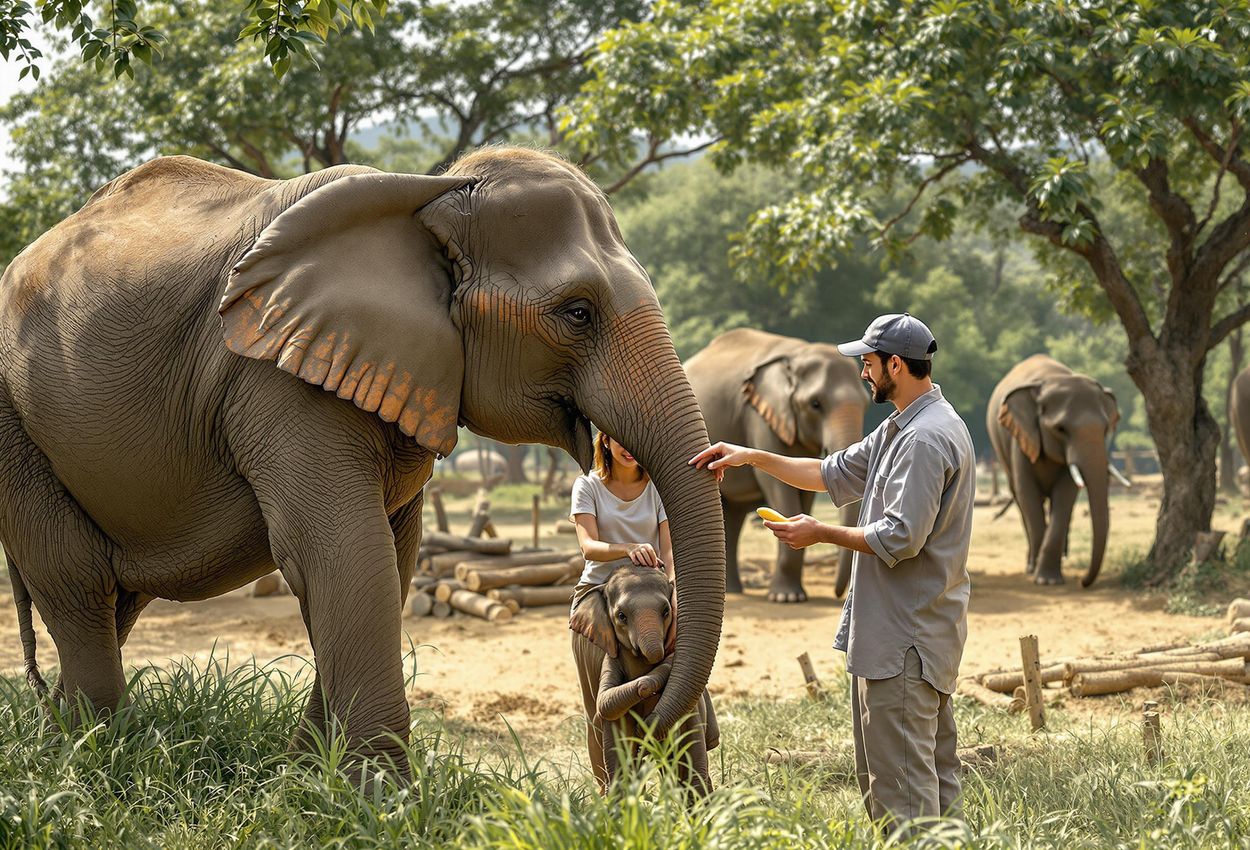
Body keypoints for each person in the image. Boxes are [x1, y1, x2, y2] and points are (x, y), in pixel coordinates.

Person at [690, 312, 975, 835]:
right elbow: (829, 472)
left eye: (868, 363)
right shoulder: (902, 427)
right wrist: (751, 455)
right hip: (898, 632)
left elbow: (900, 537)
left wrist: (819, 534)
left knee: (902, 791)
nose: (863, 373)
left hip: (905, 640)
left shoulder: (925, 440)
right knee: (926, 778)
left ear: (895, 364)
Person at [569, 429, 718, 790]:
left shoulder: (656, 488)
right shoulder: (587, 486)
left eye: (637, 440)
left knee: (682, 683)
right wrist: (627, 548)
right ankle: (613, 791)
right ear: (604, 441)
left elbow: (669, 553)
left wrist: (677, 592)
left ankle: (687, 788)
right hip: (603, 602)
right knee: (603, 708)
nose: (630, 448)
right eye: (621, 439)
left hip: (656, 598)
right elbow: (588, 547)